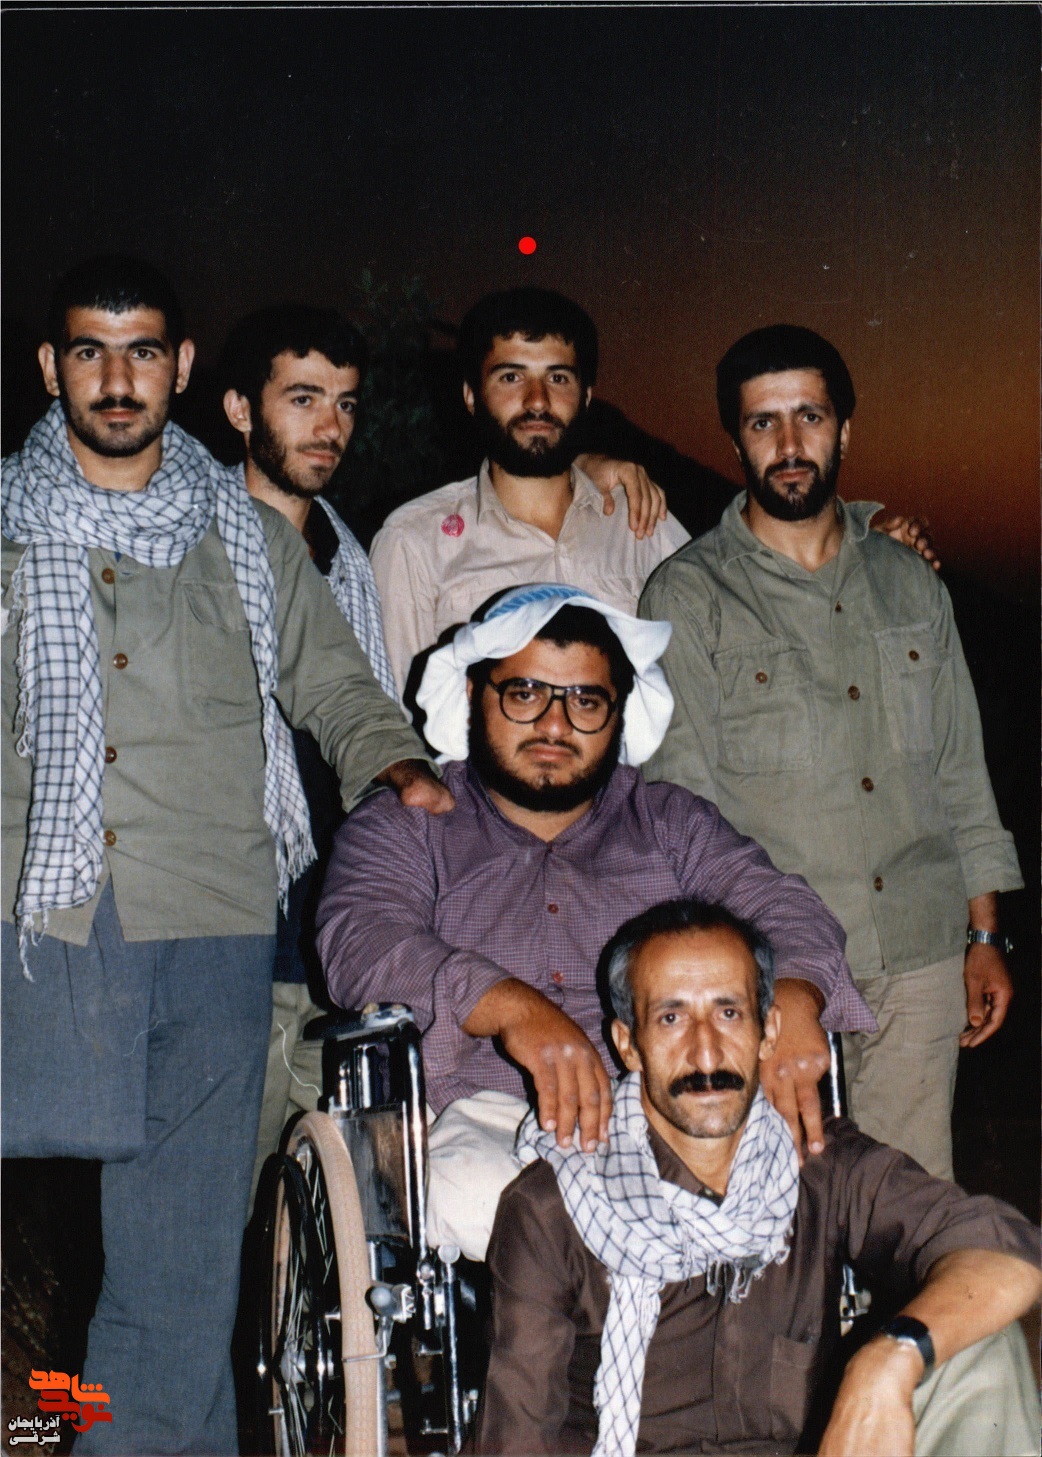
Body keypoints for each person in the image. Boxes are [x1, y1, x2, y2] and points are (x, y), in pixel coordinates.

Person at [0, 256, 450, 1454]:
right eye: (89, 350)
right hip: (34, 927)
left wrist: (399, 769)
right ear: (50, 367)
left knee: (180, 1250)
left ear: (183, 368)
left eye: (143, 350)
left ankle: (121, 1436)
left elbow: (337, 686)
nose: (116, 377)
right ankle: (70, 1420)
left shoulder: (246, 537)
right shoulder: (1, 519)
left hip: (209, 925)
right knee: (77, 1248)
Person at [317, 583, 875, 1262]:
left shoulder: (668, 822)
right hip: (477, 1116)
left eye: (585, 700)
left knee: (816, 1197)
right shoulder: (408, 825)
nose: (554, 725)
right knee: (473, 1197)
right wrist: (507, 1005)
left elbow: (784, 906)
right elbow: (359, 939)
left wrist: (794, 995)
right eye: (525, 693)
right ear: (472, 693)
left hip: (667, 1113)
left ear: (619, 712)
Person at [639, 325, 1022, 1180]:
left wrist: (984, 931)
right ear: (736, 442)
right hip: (774, 962)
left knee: (909, 1196)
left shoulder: (910, 580)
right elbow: (681, 806)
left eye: (808, 416)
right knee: (784, 1201)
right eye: (763, 422)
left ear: (844, 430)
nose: (788, 443)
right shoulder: (688, 595)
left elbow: (960, 769)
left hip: (918, 949)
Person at [478, 899, 1041, 1456]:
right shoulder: (554, 1206)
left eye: (728, 1014)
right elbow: (518, 1438)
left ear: (769, 1032)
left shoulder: (819, 1163)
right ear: (629, 1045)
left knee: (977, 1344)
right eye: (672, 1018)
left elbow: (1003, 1248)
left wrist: (886, 1362)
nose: (705, 1053)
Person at [220, 303, 398, 1202]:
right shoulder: (187, 548)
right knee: (227, 1186)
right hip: (233, 929)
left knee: (340, 1203)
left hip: (335, 921)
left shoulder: (348, 557)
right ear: (239, 409)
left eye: (345, 403)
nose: (330, 426)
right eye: (302, 398)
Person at [369, 287, 690, 697]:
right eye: (511, 377)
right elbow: (392, 717)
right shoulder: (413, 543)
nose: (537, 401)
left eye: (558, 378)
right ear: (471, 396)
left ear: (586, 397)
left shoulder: (642, 523)